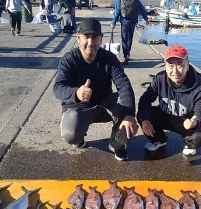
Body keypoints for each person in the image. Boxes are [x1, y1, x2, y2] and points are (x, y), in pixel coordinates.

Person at [53, 18, 138, 161]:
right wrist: (76, 93)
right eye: (86, 37)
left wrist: (130, 115)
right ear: (78, 38)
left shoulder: (109, 58)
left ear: (101, 39)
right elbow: (58, 87)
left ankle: (116, 143)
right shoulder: (69, 59)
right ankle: (78, 139)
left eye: (95, 37)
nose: (91, 42)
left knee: (127, 114)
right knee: (70, 135)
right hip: (78, 108)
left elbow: (124, 85)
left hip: (104, 105)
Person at [137, 45, 201, 156]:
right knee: (144, 114)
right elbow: (145, 100)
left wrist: (195, 122)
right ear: (165, 66)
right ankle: (159, 140)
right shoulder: (160, 79)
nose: (175, 71)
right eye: (170, 65)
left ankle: (189, 144)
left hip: (185, 122)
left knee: (199, 136)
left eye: (180, 65)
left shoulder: (198, 87)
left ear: (187, 66)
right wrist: (145, 120)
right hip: (165, 116)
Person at [110, 0, 150, 65]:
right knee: (130, 39)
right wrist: (146, 19)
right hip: (133, 21)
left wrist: (113, 22)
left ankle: (126, 55)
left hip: (124, 21)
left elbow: (117, 11)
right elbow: (142, 9)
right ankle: (127, 54)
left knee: (124, 39)